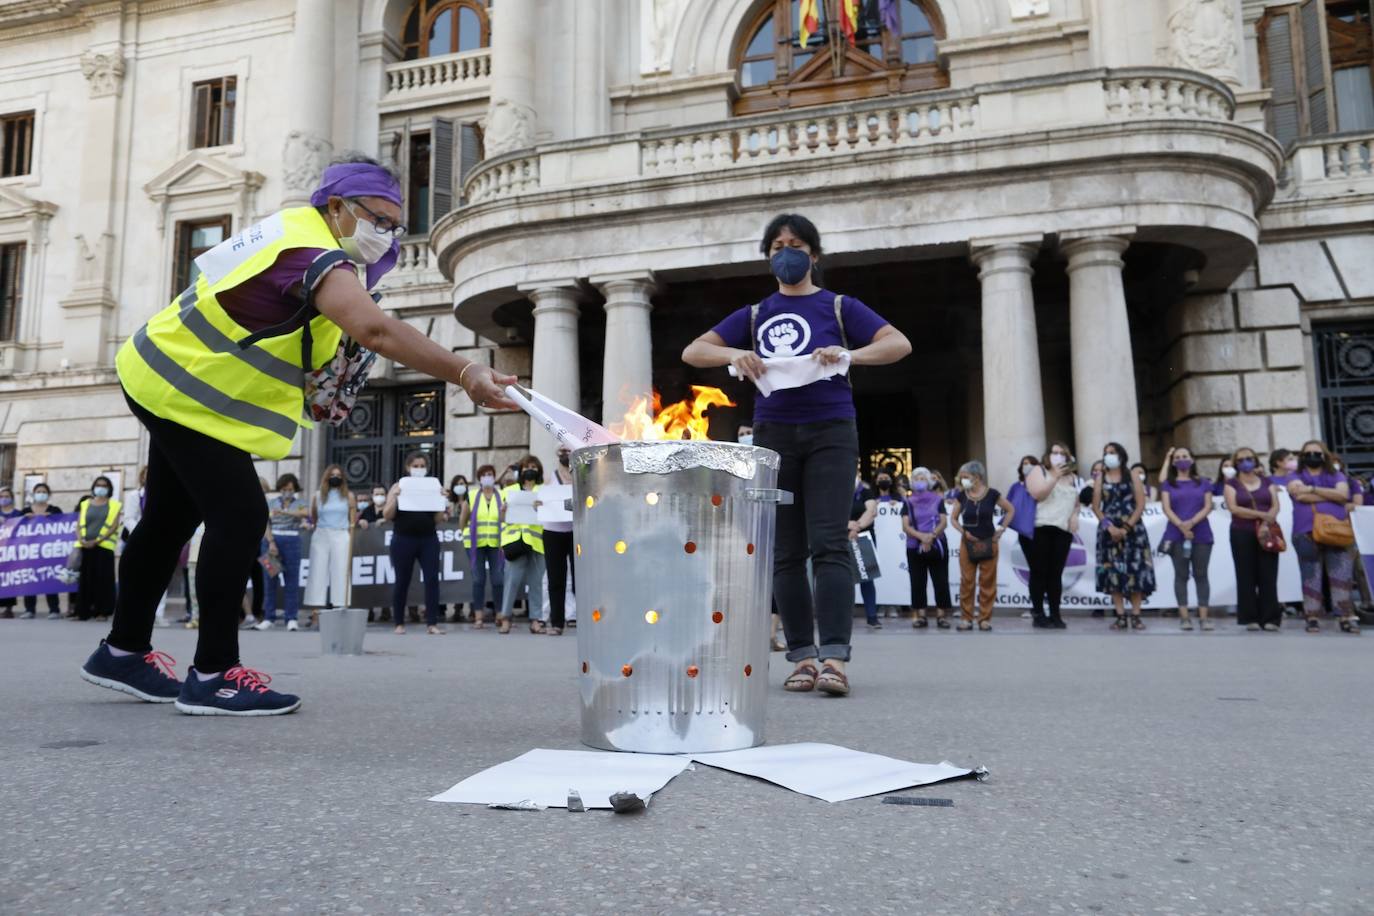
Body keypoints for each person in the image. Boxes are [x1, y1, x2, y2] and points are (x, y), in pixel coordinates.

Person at [79, 156, 517, 716]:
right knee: (238, 515)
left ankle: (121, 652)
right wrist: (466, 372)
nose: (385, 233)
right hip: (183, 390)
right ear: (336, 207)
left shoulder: (302, 235)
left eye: (393, 225)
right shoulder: (310, 251)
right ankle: (213, 675)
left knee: (169, 519)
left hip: (166, 376)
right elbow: (375, 330)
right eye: (376, 218)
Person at [683, 212, 911, 696]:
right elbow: (694, 351)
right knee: (784, 551)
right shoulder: (755, 314)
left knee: (828, 542)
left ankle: (834, 659)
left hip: (832, 429)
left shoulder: (840, 306)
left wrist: (850, 356)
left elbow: (898, 343)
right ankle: (802, 658)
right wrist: (733, 356)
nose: (787, 252)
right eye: (777, 245)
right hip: (774, 434)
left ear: (814, 255)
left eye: (796, 244)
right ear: (769, 257)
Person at [1287, 440, 1358, 634]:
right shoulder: (1294, 475)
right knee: (1311, 575)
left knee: (1341, 576)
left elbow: (1344, 494)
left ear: (1325, 456)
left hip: (1337, 531)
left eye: (1317, 453)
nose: (1313, 456)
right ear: (1302, 457)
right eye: (1308, 453)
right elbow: (1299, 495)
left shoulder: (1337, 474)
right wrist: (1331, 495)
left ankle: (1346, 617)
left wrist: (1311, 489)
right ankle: (1312, 617)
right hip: (1305, 531)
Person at [1092, 442, 1155, 630]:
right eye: (1105, 453)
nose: (1108, 456)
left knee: (1135, 571)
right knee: (1113, 573)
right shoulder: (1101, 477)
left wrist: (1126, 528)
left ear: (1121, 455)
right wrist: (1109, 527)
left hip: (1133, 530)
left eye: (1112, 452)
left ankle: (1136, 615)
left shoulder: (1133, 476)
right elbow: (1096, 507)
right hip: (1108, 530)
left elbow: (1140, 504)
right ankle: (1120, 615)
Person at [383, 452, 447, 635]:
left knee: (432, 580)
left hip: (428, 539)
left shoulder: (433, 486)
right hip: (403, 539)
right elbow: (387, 515)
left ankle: (432, 623)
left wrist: (441, 500)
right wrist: (394, 496)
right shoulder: (399, 485)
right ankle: (399, 623)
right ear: (408, 468)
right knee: (402, 581)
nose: (419, 469)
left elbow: (438, 519)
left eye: (422, 466)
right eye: (415, 466)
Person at [949, 461, 1013, 632]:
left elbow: (1010, 509)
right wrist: (964, 532)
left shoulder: (992, 494)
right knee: (967, 581)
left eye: (965, 477)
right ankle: (966, 618)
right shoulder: (962, 495)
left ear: (977, 477)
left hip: (988, 541)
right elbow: (953, 518)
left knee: (987, 582)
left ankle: (984, 618)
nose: (962, 480)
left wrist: (1001, 529)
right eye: (961, 477)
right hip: (967, 542)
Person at [1224, 446, 1282, 632]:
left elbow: (1275, 505)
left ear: (1256, 460)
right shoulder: (1231, 484)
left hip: (1267, 532)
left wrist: (1268, 519)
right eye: (1240, 460)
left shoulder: (1267, 481)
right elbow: (1234, 508)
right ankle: (1250, 617)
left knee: (1268, 574)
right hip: (1242, 532)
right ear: (1236, 464)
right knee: (1246, 575)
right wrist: (1261, 515)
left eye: (1249, 458)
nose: (1245, 462)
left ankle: (1271, 617)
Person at [1159, 446, 1215, 631]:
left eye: (1185, 456)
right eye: (1178, 457)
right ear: (1173, 462)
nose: (1181, 459)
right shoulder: (1168, 484)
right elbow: (1166, 508)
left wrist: (1191, 522)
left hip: (1201, 534)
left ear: (1192, 459)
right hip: (1176, 535)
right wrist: (1182, 526)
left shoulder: (1204, 482)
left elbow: (1208, 506)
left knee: (1201, 575)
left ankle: (1204, 617)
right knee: (1181, 576)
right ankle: (1184, 617)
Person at [1024, 442, 1079, 629]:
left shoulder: (1072, 477)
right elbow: (1038, 494)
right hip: (1040, 527)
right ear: (1048, 455)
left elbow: (1075, 501)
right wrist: (1054, 476)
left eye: (1062, 453)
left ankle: (1055, 613)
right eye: (1054, 452)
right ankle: (1038, 613)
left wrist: (1075, 515)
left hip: (1062, 530)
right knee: (1039, 572)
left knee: (1055, 574)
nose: (1058, 456)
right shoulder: (1038, 471)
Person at [498, 454, 546, 635]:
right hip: (515, 542)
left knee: (536, 583)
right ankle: (505, 619)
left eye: (533, 466)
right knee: (511, 582)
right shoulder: (509, 491)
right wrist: (503, 511)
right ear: (521, 471)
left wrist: (543, 506)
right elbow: (502, 519)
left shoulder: (544, 490)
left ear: (539, 470)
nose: (529, 470)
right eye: (526, 467)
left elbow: (550, 514)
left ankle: (535, 620)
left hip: (537, 543)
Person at [255, 473, 309, 632]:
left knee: (291, 582)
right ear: (280, 488)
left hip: (292, 542)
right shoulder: (272, 503)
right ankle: (268, 617)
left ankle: (291, 618)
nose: (287, 491)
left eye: (290, 489)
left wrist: (284, 512)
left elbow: (305, 513)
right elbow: (266, 523)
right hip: (272, 543)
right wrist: (271, 542)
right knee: (269, 581)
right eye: (285, 489)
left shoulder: (300, 503)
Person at [303, 464, 356, 622]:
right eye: (332, 474)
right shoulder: (318, 496)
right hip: (322, 533)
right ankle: (316, 611)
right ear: (326, 477)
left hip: (341, 533)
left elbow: (352, 517)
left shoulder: (349, 496)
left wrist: (351, 528)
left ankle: (340, 607)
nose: (336, 477)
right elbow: (313, 515)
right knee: (317, 570)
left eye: (339, 475)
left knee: (341, 570)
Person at [68, 476, 123, 622]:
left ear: (109, 488)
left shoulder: (115, 505)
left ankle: (102, 612)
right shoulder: (85, 503)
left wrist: (97, 540)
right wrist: (81, 539)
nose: (101, 488)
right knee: (85, 580)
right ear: (93, 487)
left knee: (103, 580)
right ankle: (82, 612)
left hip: (104, 547)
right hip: (85, 546)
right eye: (98, 485)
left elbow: (113, 526)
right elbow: (79, 524)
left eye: (104, 485)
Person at [903, 467, 951, 628]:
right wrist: (922, 537)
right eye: (916, 478)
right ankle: (920, 615)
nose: (919, 481)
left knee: (940, 580)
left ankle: (941, 616)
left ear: (929, 481)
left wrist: (931, 536)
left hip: (937, 544)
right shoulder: (908, 502)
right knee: (917, 581)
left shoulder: (937, 499)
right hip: (914, 546)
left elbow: (943, 521)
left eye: (922, 478)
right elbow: (905, 525)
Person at [542, 446, 575, 636]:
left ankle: (584, 617)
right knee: (556, 578)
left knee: (580, 577)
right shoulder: (550, 478)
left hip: (574, 530)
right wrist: (539, 502)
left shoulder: (580, 475)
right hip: (553, 531)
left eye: (568, 451)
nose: (565, 455)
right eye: (562, 452)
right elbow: (544, 499)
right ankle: (557, 622)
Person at [468, 464, 504, 628]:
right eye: (484, 474)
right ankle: (478, 618)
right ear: (479, 478)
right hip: (476, 545)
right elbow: (464, 520)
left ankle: (499, 615)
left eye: (490, 474)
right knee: (478, 580)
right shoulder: (473, 495)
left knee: (497, 580)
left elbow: (505, 518)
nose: (487, 477)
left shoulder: (502, 495)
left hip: (497, 544)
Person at [22, 483, 65, 619]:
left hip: (49, 551)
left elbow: (64, 524)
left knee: (50, 579)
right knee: (30, 579)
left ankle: (54, 610)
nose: (41, 493)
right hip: (30, 551)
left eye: (44, 491)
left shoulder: (55, 510)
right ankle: (29, 609)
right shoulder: (25, 511)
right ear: (34, 494)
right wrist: (25, 519)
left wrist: (52, 517)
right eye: (38, 491)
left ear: (48, 494)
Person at [1007, 455, 1040, 621]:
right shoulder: (1016, 487)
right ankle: (1036, 605)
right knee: (1034, 568)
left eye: (1031, 464)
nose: (1027, 466)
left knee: (1042, 569)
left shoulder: (1042, 485)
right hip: (1025, 534)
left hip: (1041, 530)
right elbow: (1008, 505)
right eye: (1025, 463)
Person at [850, 467, 880, 630]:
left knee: (867, 577)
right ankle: (843, 617)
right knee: (844, 579)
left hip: (863, 537)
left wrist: (857, 527)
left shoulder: (866, 491)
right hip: (842, 536)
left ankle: (872, 616)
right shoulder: (838, 490)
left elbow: (871, 510)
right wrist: (846, 525)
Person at [0, 487, 26, 619]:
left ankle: (8, 608)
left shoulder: (17, 513)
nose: (4, 498)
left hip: (12, 550)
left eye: (6, 496)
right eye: (1, 496)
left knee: (10, 579)